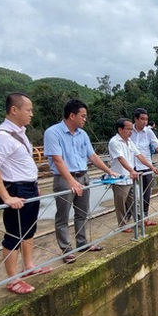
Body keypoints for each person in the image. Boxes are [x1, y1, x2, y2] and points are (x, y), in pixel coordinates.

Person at [0, 93, 49, 294]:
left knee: (29, 230)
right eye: (28, 110)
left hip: (29, 187)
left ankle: (28, 266)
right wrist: (6, 196)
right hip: (16, 189)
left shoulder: (20, 133)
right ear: (14, 110)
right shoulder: (3, 136)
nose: (31, 113)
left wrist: (34, 184)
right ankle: (12, 280)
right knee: (14, 235)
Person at [43, 99, 117, 262]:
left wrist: (109, 170)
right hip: (64, 178)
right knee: (63, 215)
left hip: (83, 176)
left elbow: (92, 156)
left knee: (83, 212)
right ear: (72, 115)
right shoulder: (53, 133)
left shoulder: (82, 134)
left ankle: (82, 243)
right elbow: (57, 159)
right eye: (82, 116)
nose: (85, 119)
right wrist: (71, 181)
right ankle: (66, 249)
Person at [108, 118, 158, 232]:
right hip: (120, 178)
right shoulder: (114, 142)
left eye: (132, 129)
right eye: (128, 129)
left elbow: (139, 155)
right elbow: (120, 158)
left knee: (136, 200)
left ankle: (142, 220)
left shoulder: (130, 142)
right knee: (121, 203)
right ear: (120, 129)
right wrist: (131, 170)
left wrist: (151, 167)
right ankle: (122, 225)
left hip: (131, 177)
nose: (131, 131)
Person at [131, 108, 158, 226]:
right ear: (136, 119)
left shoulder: (148, 132)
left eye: (146, 119)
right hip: (131, 167)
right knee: (130, 195)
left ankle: (144, 217)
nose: (144, 122)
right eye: (142, 119)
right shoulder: (128, 130)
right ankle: (130, 219)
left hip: (146, 165)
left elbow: (157, 146)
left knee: (146, 193)